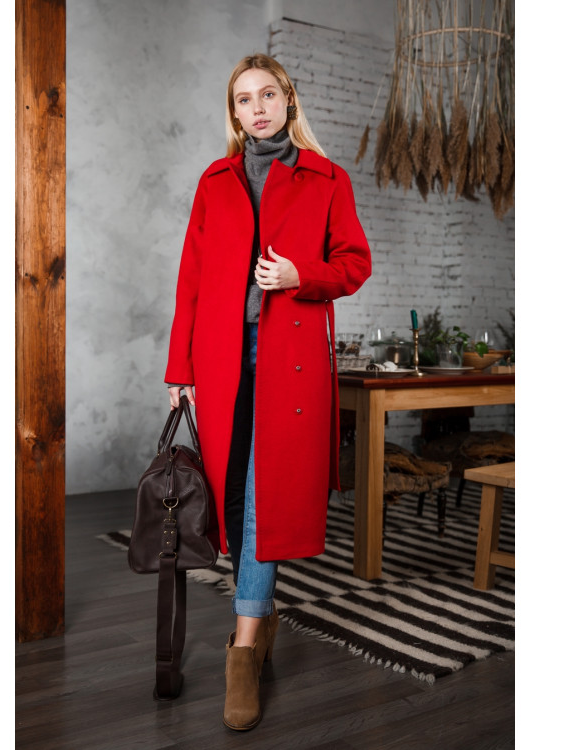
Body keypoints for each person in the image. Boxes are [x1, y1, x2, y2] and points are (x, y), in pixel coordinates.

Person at [164, 53, 372, 731]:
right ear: (234, 112)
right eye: (243, 99)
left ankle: (244, 646)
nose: (256, 108)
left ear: (289, 100)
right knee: (232, 493)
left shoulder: (328, 178)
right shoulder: (215, 180)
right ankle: (261, 616)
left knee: (263, 496)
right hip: (222, 360)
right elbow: (192, 280)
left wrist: (298, 276)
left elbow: (354, 264)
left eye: (267, 95)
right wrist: (179, 369)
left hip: (292, 362)